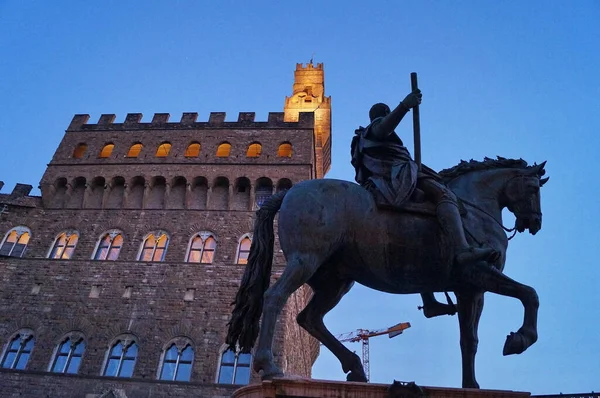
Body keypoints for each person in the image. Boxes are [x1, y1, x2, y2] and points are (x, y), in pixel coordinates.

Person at [351, 90, 498, 317]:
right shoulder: (375, 128)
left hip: (390, 177)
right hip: (397, 177)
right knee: (446, 197)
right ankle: (462, 249)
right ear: (382, 114)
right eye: (388, 114)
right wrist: (405, 105)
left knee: (424, 227)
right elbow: (384, 128)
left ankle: (429, 300)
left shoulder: (360, 140)